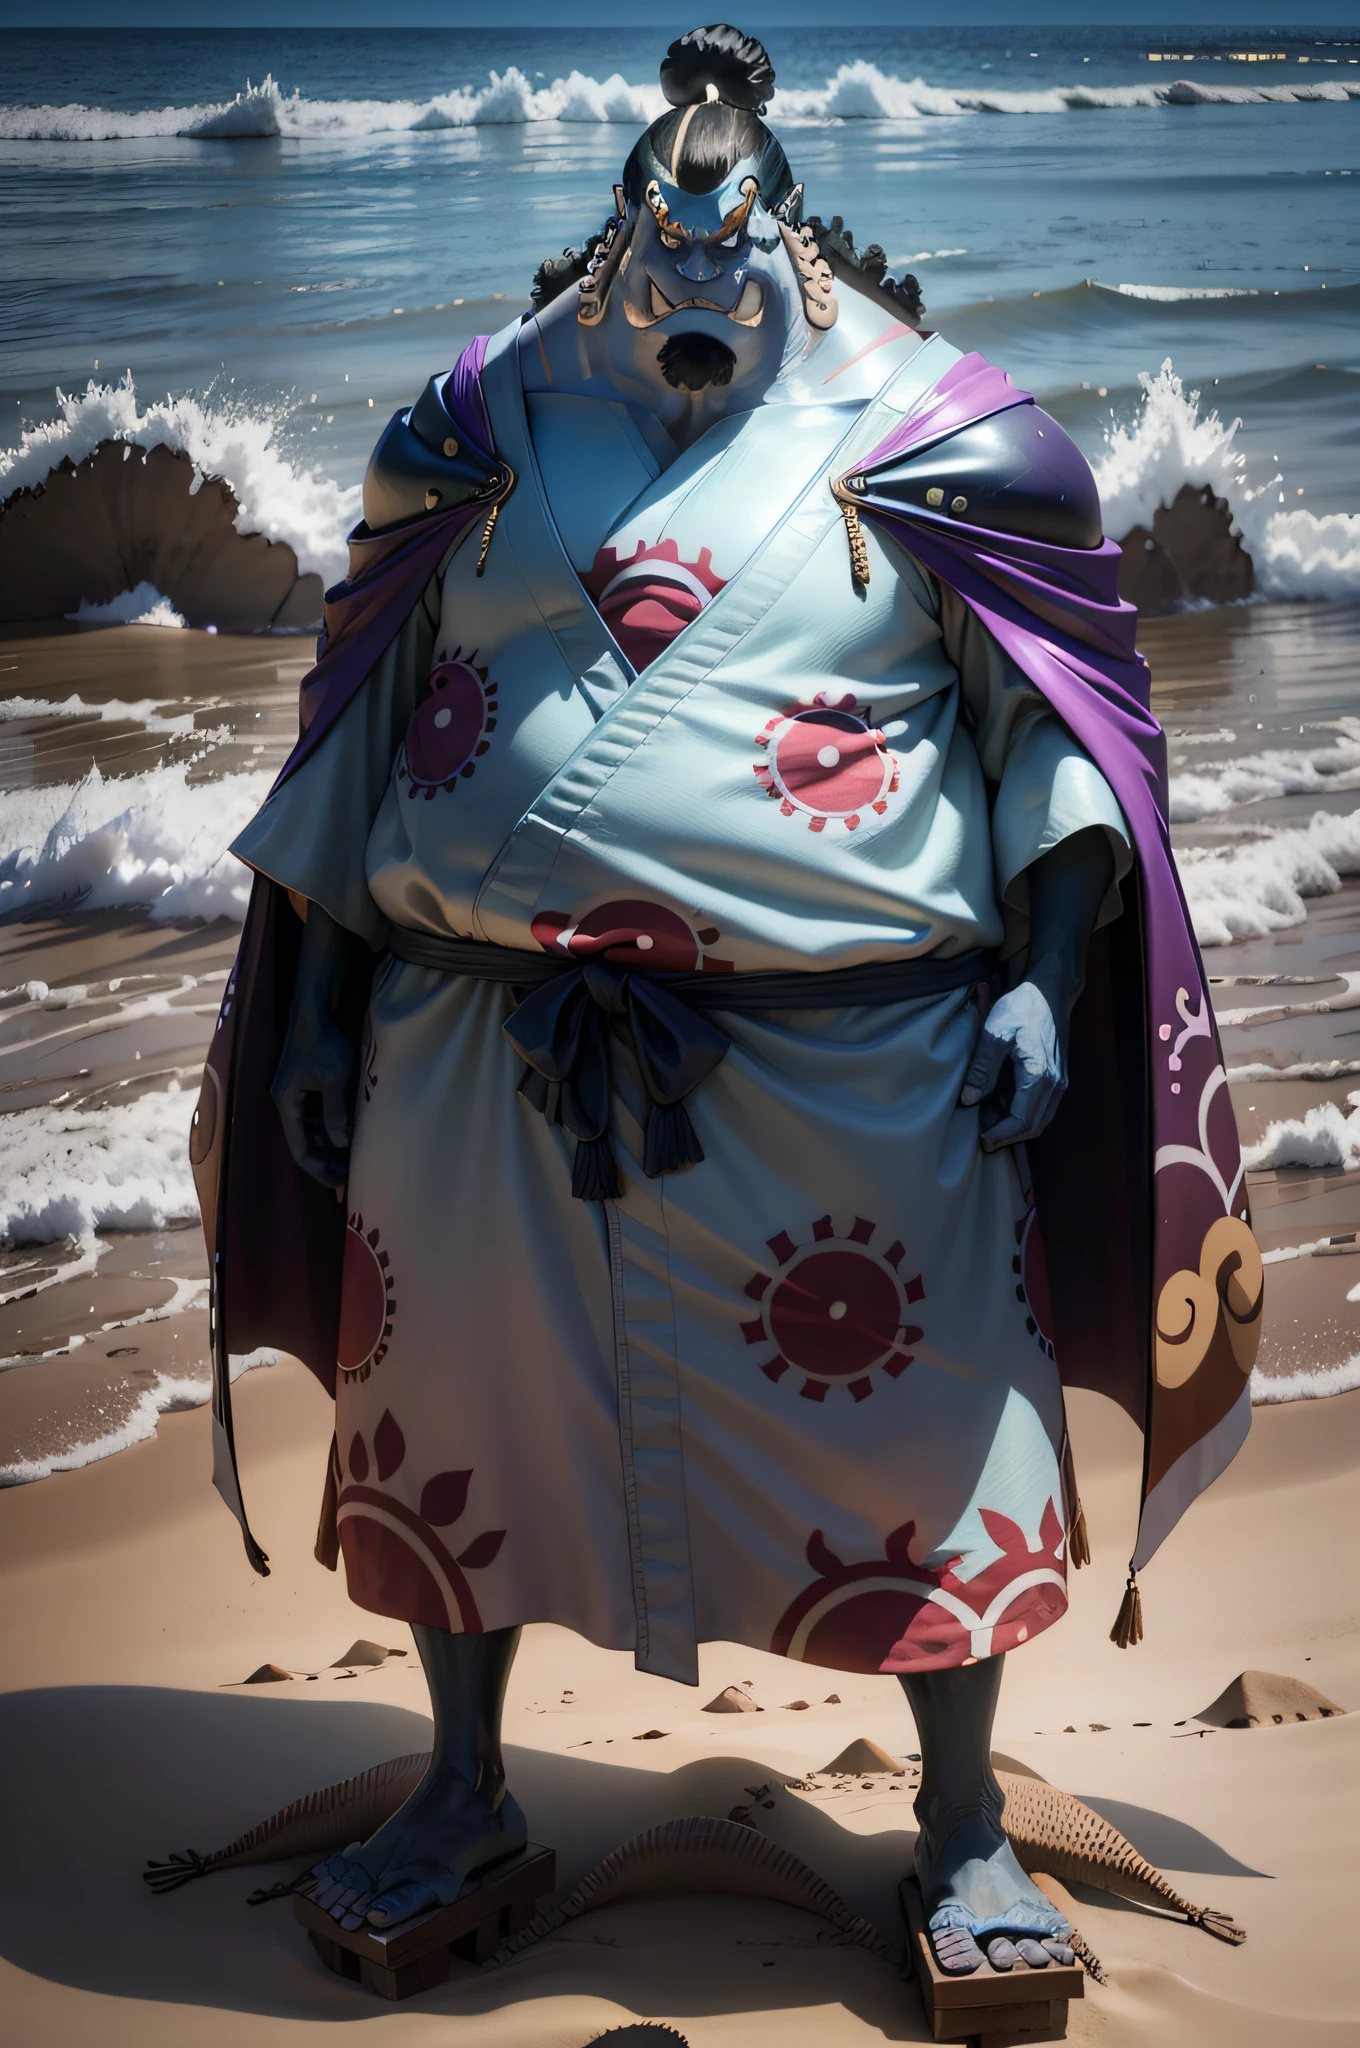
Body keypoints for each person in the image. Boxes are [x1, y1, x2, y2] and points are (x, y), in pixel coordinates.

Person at [194, 24, 1262, 1978]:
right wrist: (327, 996)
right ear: (612, 237)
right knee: (459, 1430)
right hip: (477, 1069)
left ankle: (954, 1831)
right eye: (658, 245)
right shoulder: (462, 428)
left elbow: (1052, 743)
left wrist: (1041, 978)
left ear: (798, 238)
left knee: (925, 1438)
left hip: (864, 1080)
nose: (694, 279)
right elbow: (351, 738)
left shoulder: (951, 437)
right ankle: (460, 1786)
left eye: (732, 243)